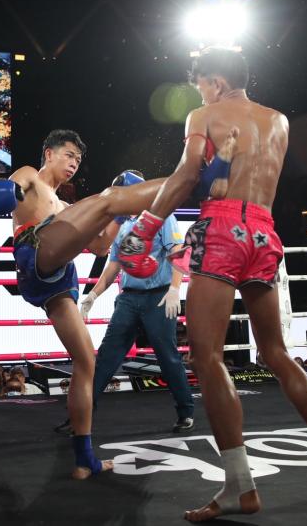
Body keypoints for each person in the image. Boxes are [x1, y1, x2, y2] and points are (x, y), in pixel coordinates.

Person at [115, 47, 307, 520]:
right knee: (276, 353)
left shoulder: (204, 114)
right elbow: (239, 174)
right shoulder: (279, 121)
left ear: (214, 82)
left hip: (222, 229)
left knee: (207, 356)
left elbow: (187, 175)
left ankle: (239, 486)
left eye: (200, 87)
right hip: (265, 232)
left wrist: (147, 225)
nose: (199, 95)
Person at [0, 129, 168, 479]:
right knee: (110, 196)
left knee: (86, 361)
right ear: (49, 154)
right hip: (36, 249)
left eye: (78, 161)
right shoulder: (30, 176)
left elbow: (99, 247)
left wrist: (118, 218)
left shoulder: (66, 208)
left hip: (57, 279)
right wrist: (8, 192)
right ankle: (186, 179)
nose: (74, 164)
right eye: (69, 155)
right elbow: (10, 186)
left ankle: (84, 459)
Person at [75, 174, 194, 433]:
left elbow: (178, 252)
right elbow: (114, 266)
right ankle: (81, 416)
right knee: (107, 356)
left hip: (158, 297)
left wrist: (175, 289)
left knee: (167, 357)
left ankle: (186, 412)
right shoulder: (123, 225)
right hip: (128, 298)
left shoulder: (162, 216)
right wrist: (93, 295)